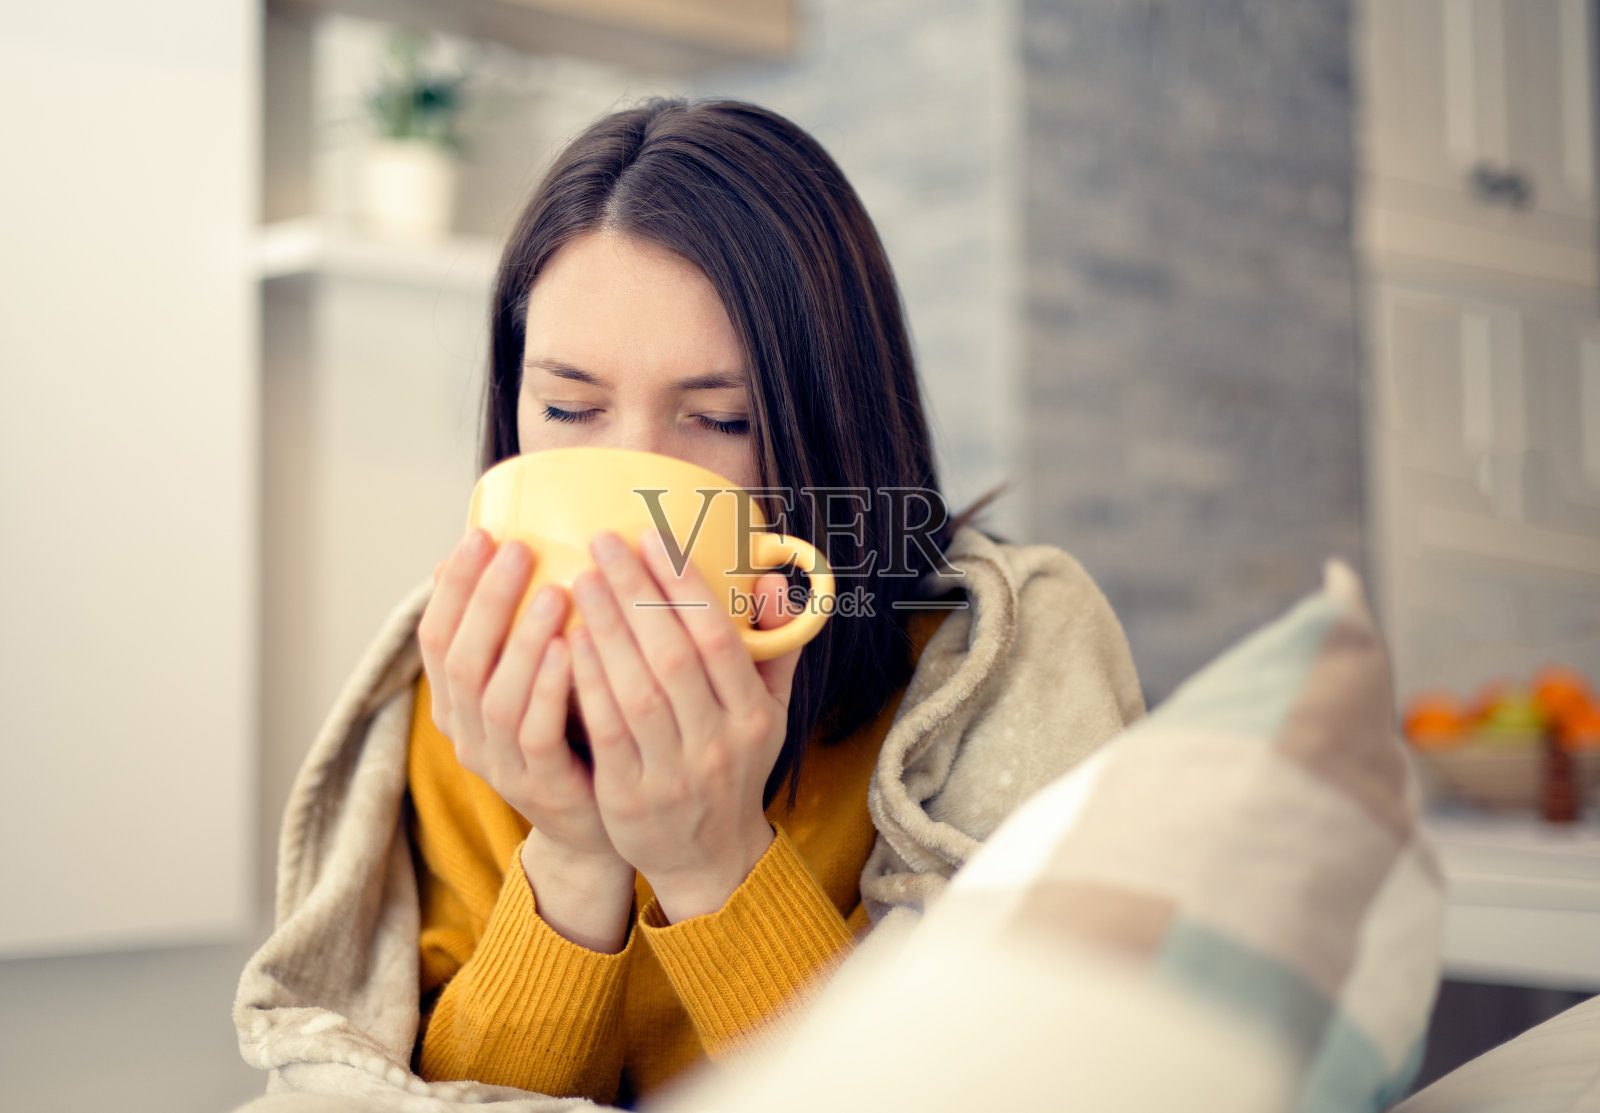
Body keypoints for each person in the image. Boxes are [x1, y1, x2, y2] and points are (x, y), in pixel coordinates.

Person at [233, 97, 1146, 1113]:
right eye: (569, 407)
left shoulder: (1003, 659)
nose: (636, 479)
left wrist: (713, 861)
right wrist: (572, 857)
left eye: (721, 418)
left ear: (831, 426)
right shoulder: (465, 686)